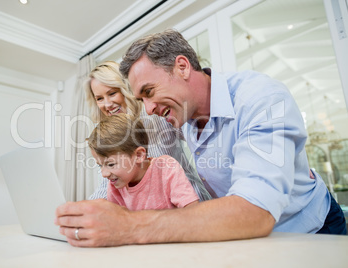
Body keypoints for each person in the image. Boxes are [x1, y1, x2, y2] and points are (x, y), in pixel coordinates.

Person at [56, 29, 346, 247]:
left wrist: (129, 226)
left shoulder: (261, 99)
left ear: (182, 67)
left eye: (148, 92)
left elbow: (255, 211)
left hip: (313, 229)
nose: (148, 108)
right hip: (250, 237)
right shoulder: (179, 117)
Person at [83, 61, 211, 201]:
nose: (107, 104)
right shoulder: (109, 136)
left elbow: (198, 136)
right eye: (100, 99)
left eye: (112, 93)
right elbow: (107, 185)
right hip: (152, 212)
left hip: (188, 200)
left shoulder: (155, 112)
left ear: (126, 89)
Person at [88, 113, 199, 210]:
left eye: (111, 164)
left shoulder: (166, 169)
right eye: (100, 166)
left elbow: (192, 210)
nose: (104, 174)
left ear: (139, 155)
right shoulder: (115, 186)